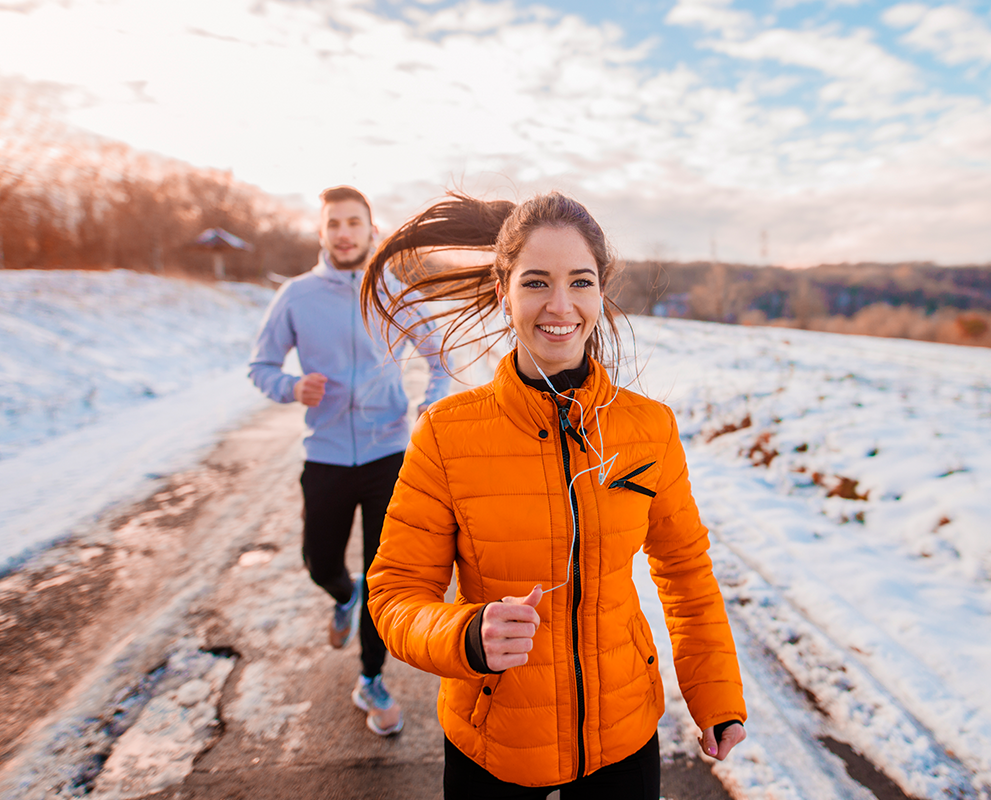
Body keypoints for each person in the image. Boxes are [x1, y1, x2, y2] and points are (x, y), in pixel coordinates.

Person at [361, 191, 747, 798]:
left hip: (623, 736)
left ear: (601, 293)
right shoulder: (445, 434)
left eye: (580, 282)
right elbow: (394, 595)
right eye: (536, 282)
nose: (559, 305)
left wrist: (716, 694)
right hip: (493, 742)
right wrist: (466, 635)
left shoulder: (648, 428)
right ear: (503, 292)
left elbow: (686, 571)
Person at [248, 185, 450, 737]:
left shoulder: (395, 294)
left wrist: (429, 404)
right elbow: (261, 366)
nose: (343, 232)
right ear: (322, 232)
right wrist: (293, 387)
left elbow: (442, 359)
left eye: (353, 222)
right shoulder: (295, 297)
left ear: (370, 229)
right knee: (320, 562)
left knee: (383, 577)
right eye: (333, 223)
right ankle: (342, 595)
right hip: (328, 455)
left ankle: (371, 677)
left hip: (389, 455)